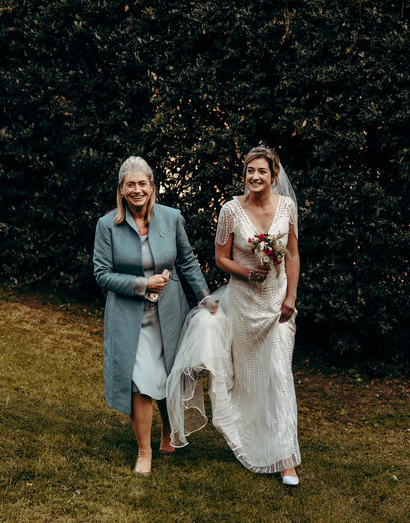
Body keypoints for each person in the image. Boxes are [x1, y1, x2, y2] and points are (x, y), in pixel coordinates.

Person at [167, 145, 302, 486]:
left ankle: (286, 460)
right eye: (250, 172)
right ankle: (251, 436)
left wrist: (291, 296)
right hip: (244, 304)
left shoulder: (287, 208)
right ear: (245, 175)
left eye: (262, 172)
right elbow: (220, 258)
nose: (255, 177)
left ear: (274, 176)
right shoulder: (230, 210)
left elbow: (294, 255)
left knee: (278, 372)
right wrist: (244, 271)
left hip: (277, 305)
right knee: (250, 378)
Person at [93, 156, 213, 476]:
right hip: (129, 317)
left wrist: (205, 298)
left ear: (152, 187)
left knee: (167, 377)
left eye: (142, 183)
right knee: (140, 382)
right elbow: (102, 274)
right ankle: (144, 452)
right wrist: (143, 283)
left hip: (169, 313)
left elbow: (187, 261)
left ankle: (166, 434)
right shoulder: (107, 226)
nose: (137, 190)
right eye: (130, 184)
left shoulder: (172, 218)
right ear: (121, 190)